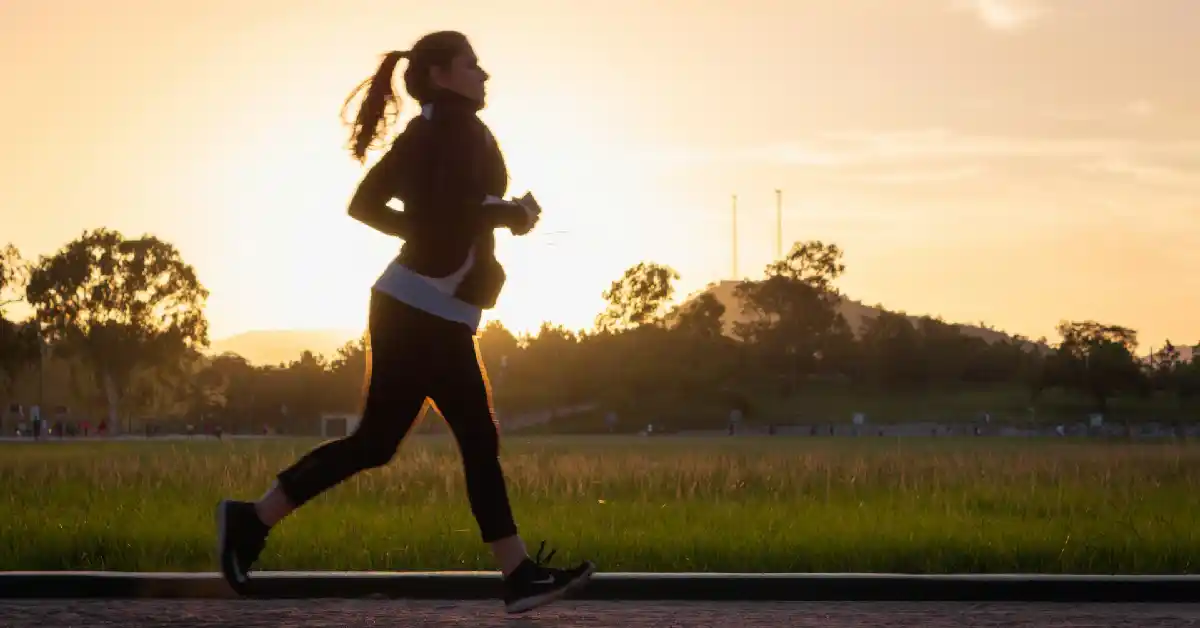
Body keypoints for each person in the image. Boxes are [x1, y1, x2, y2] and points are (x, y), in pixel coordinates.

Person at [215, 30, 595, 614]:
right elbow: (438, 210)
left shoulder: (438, 131)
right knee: (472, 437)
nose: (484, 74)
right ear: (442, 74)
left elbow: (381, 206)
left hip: (421, 306)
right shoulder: (445, 131)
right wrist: (508, 213)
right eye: (473, 64)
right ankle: (517, 576)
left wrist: (448, 229)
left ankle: (252, 519)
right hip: (420, 310)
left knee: (380, 442)